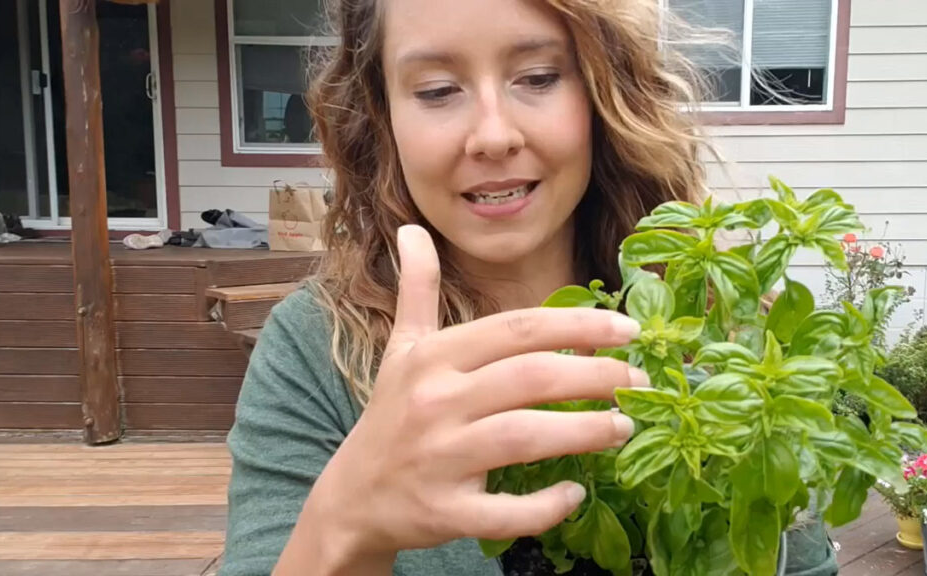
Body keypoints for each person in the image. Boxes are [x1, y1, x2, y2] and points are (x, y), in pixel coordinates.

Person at [219, 0, 713, 574]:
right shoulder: (313, 348)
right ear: (380, 115)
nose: (493, 136)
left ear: (606, 91)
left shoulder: (708, 316)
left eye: (538, 77)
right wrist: (347, 525)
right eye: (435, 90)